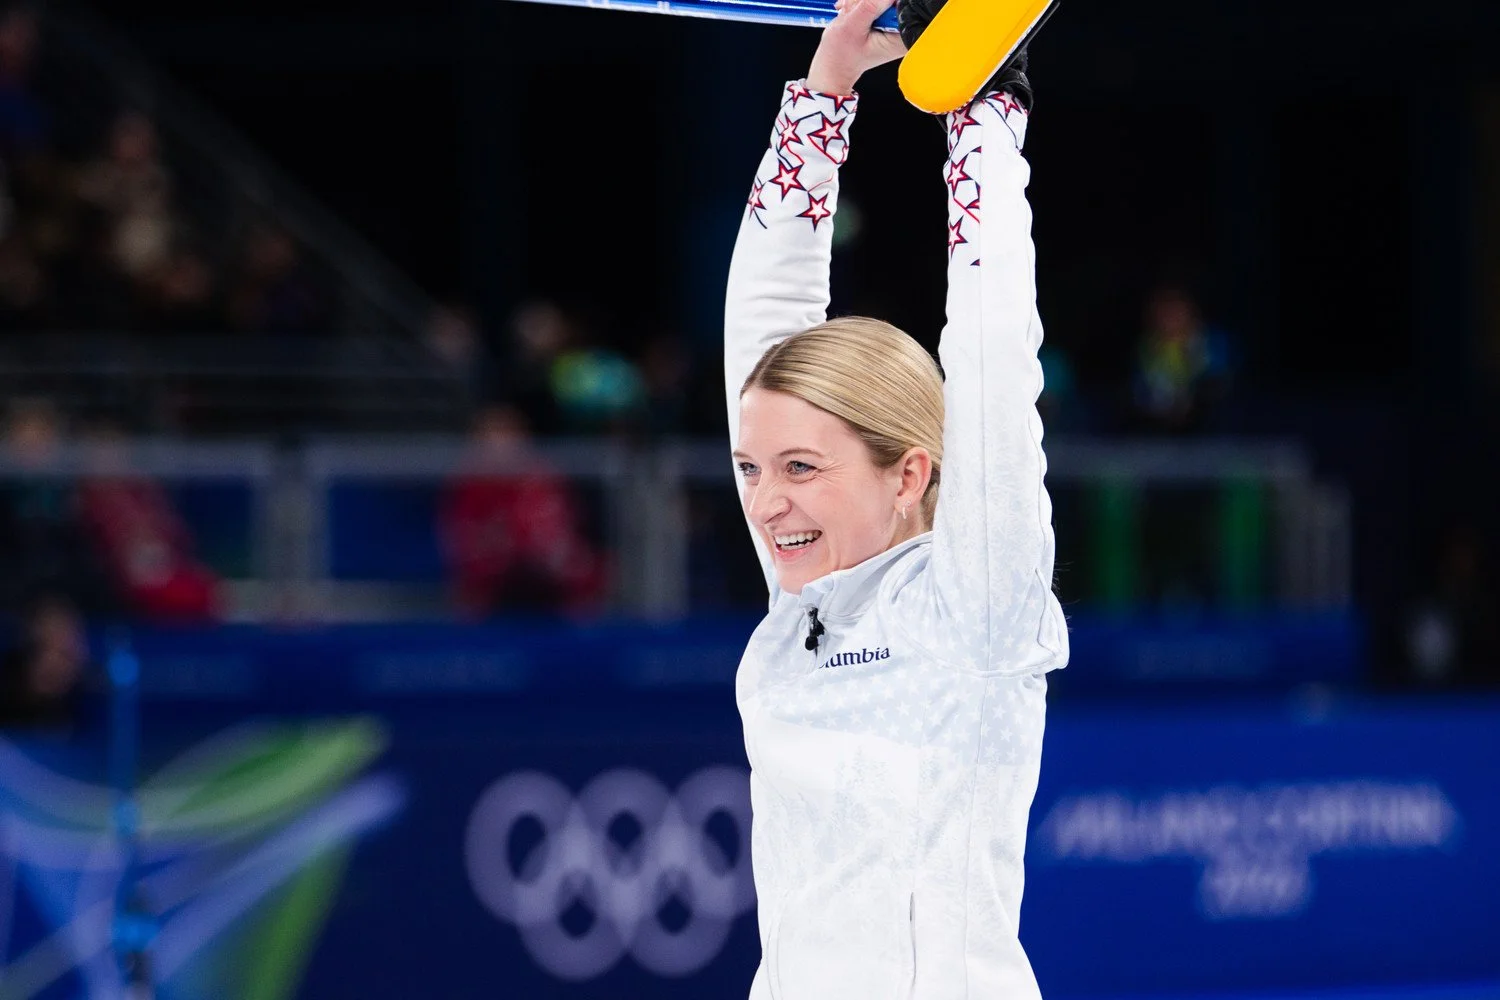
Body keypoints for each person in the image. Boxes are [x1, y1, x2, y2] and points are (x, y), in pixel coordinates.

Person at [723, 0, 1067, 997]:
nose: (767, 502)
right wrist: (828, 88)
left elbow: (996, 355)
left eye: (801, 469)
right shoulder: (804, 606)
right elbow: (765, 327)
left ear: (909, 471)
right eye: (753, 468)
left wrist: (987, 109)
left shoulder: (977, 610)